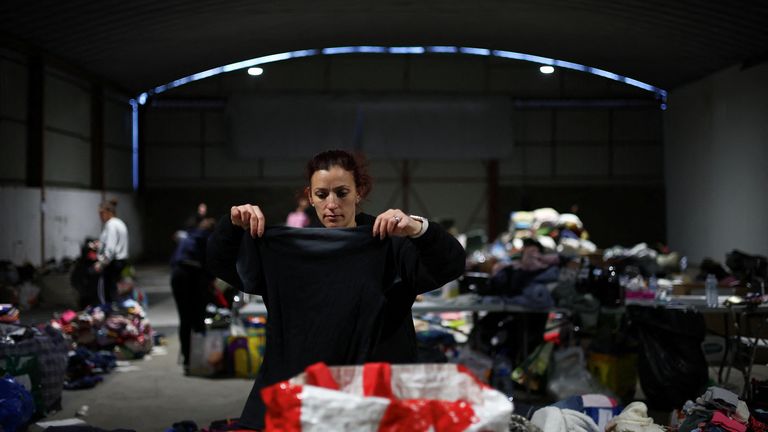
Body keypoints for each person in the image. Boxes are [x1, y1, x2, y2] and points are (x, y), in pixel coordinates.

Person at [206, 149, 466, 430]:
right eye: (322, 195)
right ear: (310, 196)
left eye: (342, 193)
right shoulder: (287, 252)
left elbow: (450, 265)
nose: (332, 204)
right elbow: (220, 264)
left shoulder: (389, 244)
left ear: (359, 192)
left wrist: (418, 228)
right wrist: (231, 226)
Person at [170, 217, 217, 373]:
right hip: (194, 275)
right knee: (198, 317)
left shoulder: (188, 235)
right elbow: (210, 262)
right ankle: (199, 358)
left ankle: (187, 360)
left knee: (184, 319)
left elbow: (174, 259)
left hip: (178, 274)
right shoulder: (208, 238)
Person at [94, 199, 129, 303]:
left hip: (113, 262)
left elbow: (111, 248)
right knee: (114, 289)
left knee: (108, 291)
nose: (100, 217)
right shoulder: (119, 223)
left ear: (109, 212)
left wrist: (101, 263)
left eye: (101, 213)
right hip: (121, 260)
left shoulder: (111, 225)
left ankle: (111, 312)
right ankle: (115, 311)